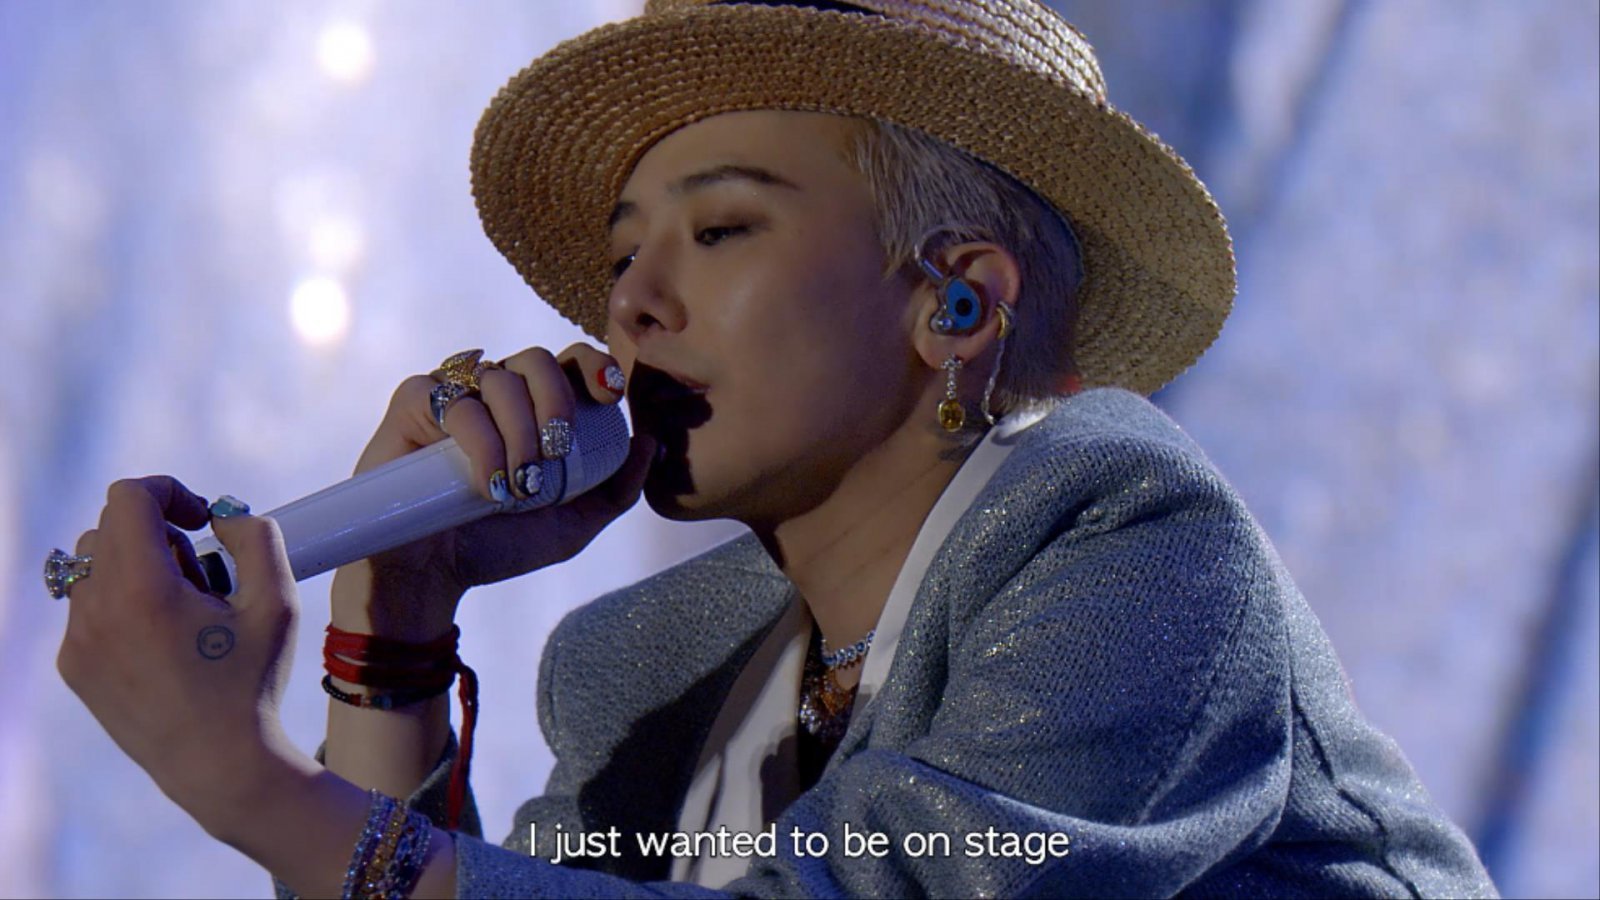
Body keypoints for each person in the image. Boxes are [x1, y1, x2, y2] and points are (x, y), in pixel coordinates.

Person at [50, 0, 1498, 897]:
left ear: (956, 302)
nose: (631, 305)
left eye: (722, 227)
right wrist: (396, 622)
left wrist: (245, 787)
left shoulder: (1129, 541)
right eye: (623, 255)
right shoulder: (652, 684)